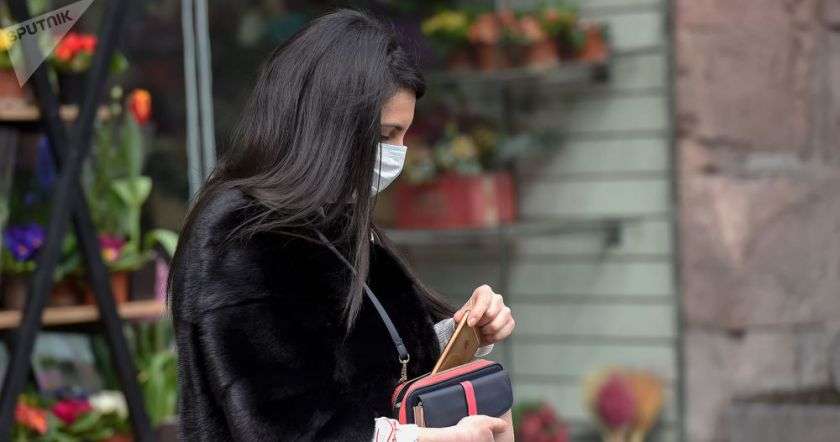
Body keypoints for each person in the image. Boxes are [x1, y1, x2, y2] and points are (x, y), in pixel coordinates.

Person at [168, 8, 516, 442]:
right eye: (385, 134)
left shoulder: (334, 217)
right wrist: (433, 439)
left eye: (404, 134)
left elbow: (373, 364)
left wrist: (464, 332)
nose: (398, 153)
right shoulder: (241, 234)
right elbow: (283, 423)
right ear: (329, 125)